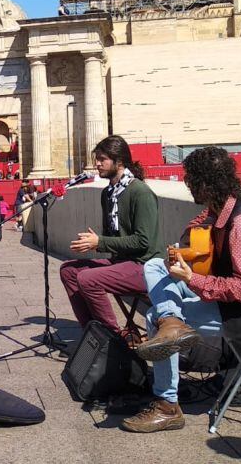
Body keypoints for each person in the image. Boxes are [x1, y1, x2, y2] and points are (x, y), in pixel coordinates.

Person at [121, 146, 241, 433]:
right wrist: (190, 239)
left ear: (203, 183)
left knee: (153, 317)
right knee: (154, 267)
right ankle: (172, 322)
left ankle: (167, 405)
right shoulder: (221, 210)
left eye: (190, 179)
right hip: (229, 300)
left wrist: (191, 280)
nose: (187, 185)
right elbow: (201, 248)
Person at [59, 135, 163, 343]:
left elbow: (144, 242)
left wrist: (100, 242)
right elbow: (113, 237)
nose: (97, 164)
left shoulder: (140, 192)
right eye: (97, 158)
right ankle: (93, 333)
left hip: (145, 265)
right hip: (121, 261)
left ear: (120, 161)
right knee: (69, 271)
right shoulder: (107, 194)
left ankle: (113, 340)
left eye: (102, 159)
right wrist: (96, 243)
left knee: (88, 279)